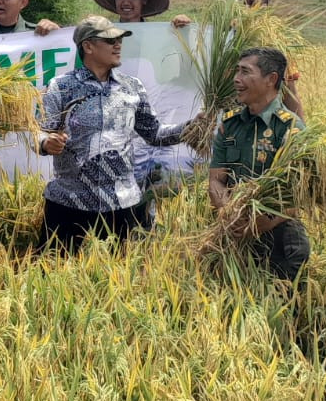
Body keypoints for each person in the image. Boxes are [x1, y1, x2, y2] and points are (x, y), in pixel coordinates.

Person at [36, 16, 202, 251]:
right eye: (110, 40)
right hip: (69, 203)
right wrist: (46, 143)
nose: (118, 45)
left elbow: (154, 134)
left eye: (119, 39)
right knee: (54, 276)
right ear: (88, 46)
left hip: (121, 204)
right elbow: (39, 131)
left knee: (120, 281)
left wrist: (191, 128)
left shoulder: (132, 87)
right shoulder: (60, 87)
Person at [208, 47, 310, 282]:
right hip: (233, 233)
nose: (236, 79)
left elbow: (299, 193)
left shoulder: (290, 128)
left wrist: (262, 223)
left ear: (271, 80)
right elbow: (216, 179)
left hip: (280, 238)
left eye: (245, 72)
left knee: (278, 309)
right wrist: (227, 212)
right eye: (237, 71)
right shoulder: (230, 124)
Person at [237, 0, 305, 117]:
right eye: (240, 5)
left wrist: (302, 133)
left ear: (266, 7)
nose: (245, 9)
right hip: (228, 119)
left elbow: (289, 92)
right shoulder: (224, 38)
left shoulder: (277, 45)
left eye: (251, 3)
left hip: (264, 120)